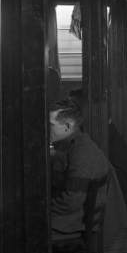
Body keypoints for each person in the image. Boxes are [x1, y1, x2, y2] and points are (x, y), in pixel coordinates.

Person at [49, 99, 111, 236]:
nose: (46, 129)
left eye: (50, 125)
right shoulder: (71, 145)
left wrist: (38, 207)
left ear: (67, 126)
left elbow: (71, 202)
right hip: (70, 217)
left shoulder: (81, 152)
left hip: (71, 223)